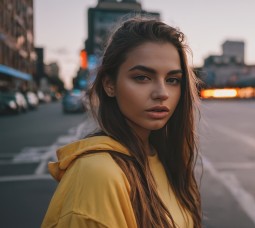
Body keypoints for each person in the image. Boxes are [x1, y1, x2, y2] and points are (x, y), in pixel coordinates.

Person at [42, 18, 202, 228]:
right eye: (142, 77)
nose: (162, 93)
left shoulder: (164, 157)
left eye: (172, 80)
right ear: (109, 85)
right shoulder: (97, 175)